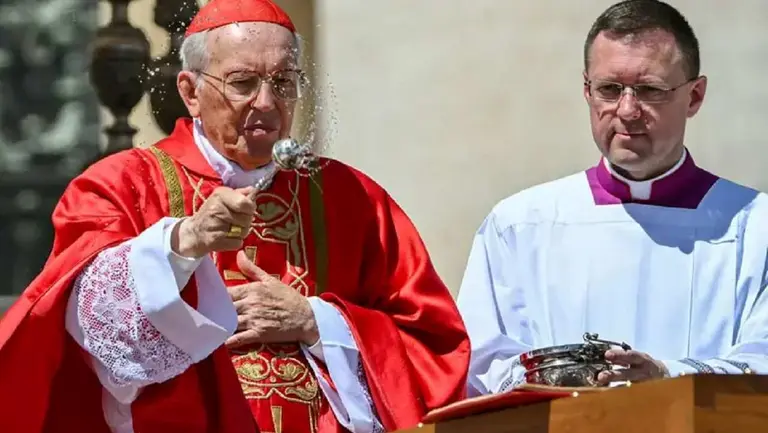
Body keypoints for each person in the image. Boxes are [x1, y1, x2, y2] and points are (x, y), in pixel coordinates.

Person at [0, 0, 470, 431]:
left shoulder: (351, 197)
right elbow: (80, 324)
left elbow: (434, 347)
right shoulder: (121, 184)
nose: (267, 103)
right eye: (243, 83)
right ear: (190, 91)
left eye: (284, 83)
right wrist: (183, 242)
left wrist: (315, 320)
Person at [456, 0, 768, 397]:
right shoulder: (521, 225)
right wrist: (569, 382)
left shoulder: (755, 227)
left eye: (650, 90)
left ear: (695, 96)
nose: (627, 109)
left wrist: (667, 376)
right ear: (587, 90)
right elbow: (479, 362)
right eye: (609, 89)